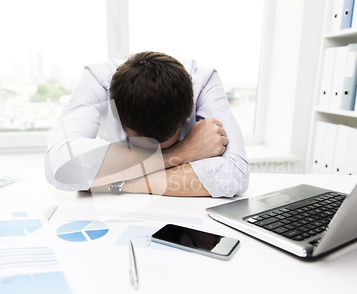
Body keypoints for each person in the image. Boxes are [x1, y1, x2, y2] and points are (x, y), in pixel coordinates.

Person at [45, 51, 249, 197]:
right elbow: (59, 166)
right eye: (145, 144)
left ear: (188, 113)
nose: (154, 148)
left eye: (167, 142)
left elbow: (235, 176)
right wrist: (183, 152)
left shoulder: (203, 81)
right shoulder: (98, 81)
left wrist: (110, 182)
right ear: (117, 116)